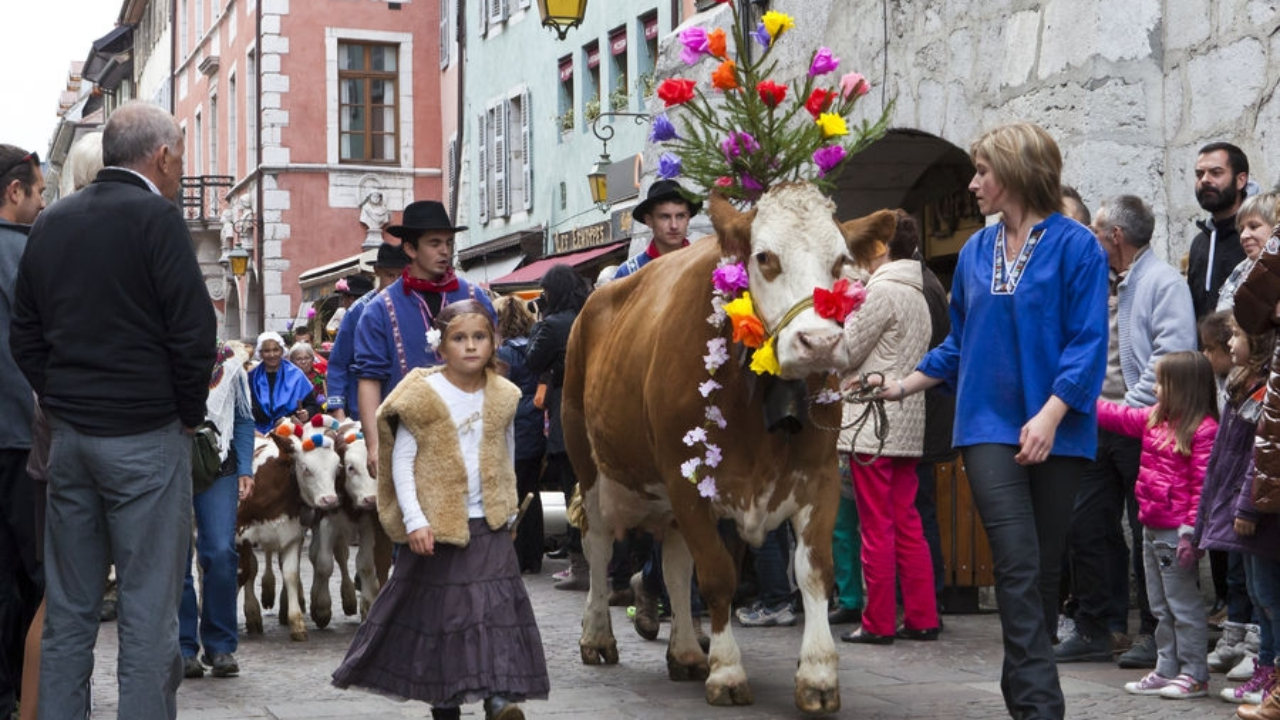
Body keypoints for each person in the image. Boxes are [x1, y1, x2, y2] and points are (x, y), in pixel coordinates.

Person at [878, 122, 1109, 720]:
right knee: (1016, 561)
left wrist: (1052, 415)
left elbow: (1088, 343)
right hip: (985, 426)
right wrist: (901, 384)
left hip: (1059, 426)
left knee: (1041, 569)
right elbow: (961, 343)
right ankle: (1041, 707)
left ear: (1013, 173)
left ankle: (1021, 687)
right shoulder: (976, 251)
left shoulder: (1079, 245)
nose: (974, 182)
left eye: (983, 171)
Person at [11, 100, 217, 720]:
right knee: (148, 616)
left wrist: (66, 398)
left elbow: (25, 335)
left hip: (73, 441)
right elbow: (194, 333)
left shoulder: (53, 222)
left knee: (69, 613)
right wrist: (185, 410)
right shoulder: (158, 220)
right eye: (179, 154)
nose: (181, 168)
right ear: (160, 156)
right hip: (147, 439)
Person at [332, 300, 549, 720]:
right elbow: (402, 463)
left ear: (493, 343)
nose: (471, 346)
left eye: (480, 337)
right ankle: (445, 702)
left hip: (488, 523)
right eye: (459, 338)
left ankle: (499, 697)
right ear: (440, 346)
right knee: (447, 619)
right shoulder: (423, 396)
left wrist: (506, 511)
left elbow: (506, 452)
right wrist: (414, 521)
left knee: (496, 611)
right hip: (437, 526)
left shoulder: (502, 395)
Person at [1056, 195, 1197, 669]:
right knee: (1087, 524)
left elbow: (1171, 355)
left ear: (1115, 236)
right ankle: (1098, 625)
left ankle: (1154, 636)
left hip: (1142, 427)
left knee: (1146, 531)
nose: (1090, 238)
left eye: (1095, 230)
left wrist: (1126, 409)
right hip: (1097, 424)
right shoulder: (1097, 282)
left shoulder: (1165, 282)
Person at [836, 212, 939, 645]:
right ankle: (921, 616)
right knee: (907, 521)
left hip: (872, 419)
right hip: (908, 417)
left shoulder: (880, 292)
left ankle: (877, 621)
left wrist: (838, 312)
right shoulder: (919, 289)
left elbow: (846, 352)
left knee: (875, 524)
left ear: (881, 247)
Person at [1102, 352, 1216, 699]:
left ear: (1182, 388)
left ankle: (1195, 672)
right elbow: (1118, 416)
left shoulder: (1204, 429)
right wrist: (1078, 400)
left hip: (1174, 534)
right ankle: (1167, 667)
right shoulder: (1155, 419)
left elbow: (1203, 487)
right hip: (1151, 526)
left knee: (1182, 604)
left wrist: (1191, 532)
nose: (1154, 389)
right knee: (1159, 604)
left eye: (1161, 383)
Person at [353, 201, 495, 472]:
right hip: (405, 441)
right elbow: (369, 380)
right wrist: (373, 446)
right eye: (434, 243)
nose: (445, 251)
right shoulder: (379, 310)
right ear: (410, 248)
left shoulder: (477, 300)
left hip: (470, 437)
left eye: (448, 242)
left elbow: (493, 370)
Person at [1193, 317, 1280, 705]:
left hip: (1258, 513)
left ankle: (1271, 673)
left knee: (1268, 596)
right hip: (1242, 508)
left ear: (1259, 344)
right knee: (1259, 592)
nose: (1230, 342)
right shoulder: (1240, 387)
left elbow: (1258, 457)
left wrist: (1245, 507)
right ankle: (1266, 671)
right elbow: (1223, 459)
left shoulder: (1263, 392)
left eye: (1239, 336)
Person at [0, 143, 44, 720]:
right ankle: (24, 693)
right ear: (14, 192)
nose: (41, 204)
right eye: (37, 192)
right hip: (20, 437)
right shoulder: (29, 253)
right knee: (34, 577)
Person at [179, 343, 255, 680]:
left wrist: (246, 468)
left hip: (219, 464)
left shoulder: (229, 364)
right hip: (169, 463)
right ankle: (182, 648)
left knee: (221, 551)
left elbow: (242, 418)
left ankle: (221, 644)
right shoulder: (153, 349)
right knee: (176, 557)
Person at [526, 264, 591, 591]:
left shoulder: (552, 324)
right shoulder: (589, 315)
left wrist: (539, 324)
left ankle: (579, 566)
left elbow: (531, 360)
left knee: (572, 492)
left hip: (567, 413)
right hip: (593, 408)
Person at [493, 296, 546, 575]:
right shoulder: (533, 347)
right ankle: (533, 556)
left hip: (515, 423)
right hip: (535, 423)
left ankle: (515, 553)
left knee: (512, 490)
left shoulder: (504, 354)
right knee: (531, 490)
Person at [327, 242, 409, 421]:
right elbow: (339, 362)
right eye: (390, 275)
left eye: (400, 276)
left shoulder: (412, 307)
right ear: (377, 271)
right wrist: (338, 409)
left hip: (406, 407)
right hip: (365, 410)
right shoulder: (358, 311)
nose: (395, 282)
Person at [1188, 142, 1250, 319]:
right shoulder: (1200, 243)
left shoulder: (1257, 238)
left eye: (1216, 173)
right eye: (1199, 174)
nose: (1205, 180)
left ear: (1240, 180)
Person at [612, 179, 702, 280]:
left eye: (680, 216)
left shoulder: (705, 264)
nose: (674, 225)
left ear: (688, 218)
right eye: (665, 217)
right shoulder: (628, 273)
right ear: (649, 220)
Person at [248, 331, 320, 433]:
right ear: (260, 353)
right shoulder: (251, 377)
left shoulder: (296, 375)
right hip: (257, 432)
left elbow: (312, 405)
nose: (272, 355)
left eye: (275, 350)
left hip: (290, 429)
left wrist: (307, 413)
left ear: (282, 351)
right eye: (267, 351)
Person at [1218, 193, 1278, 312]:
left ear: (1277, 228)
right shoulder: (1240, 270)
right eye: (1241, 229)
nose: (1243, 236)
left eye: (1253, 226)